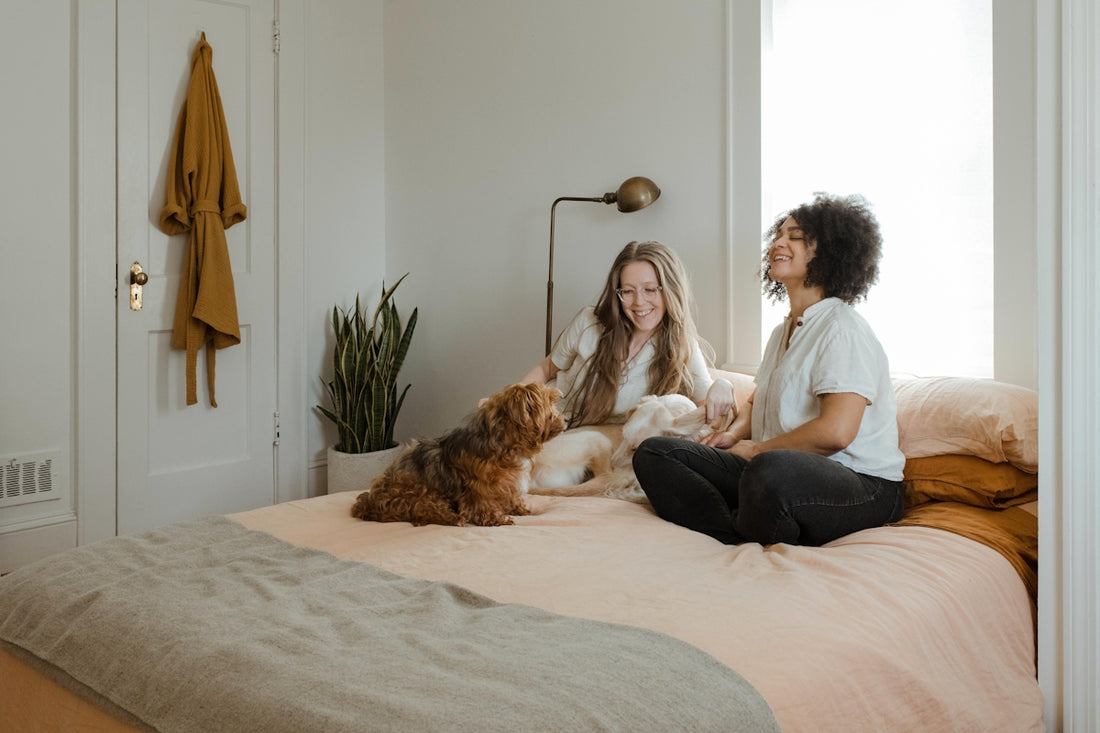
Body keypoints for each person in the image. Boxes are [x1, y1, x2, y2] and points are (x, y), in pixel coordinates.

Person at [632, 193, 905, 546]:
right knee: (655, 453)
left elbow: (837, 432)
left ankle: (752, 520)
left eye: (795, 236)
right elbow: (757, 400)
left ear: (829, 252)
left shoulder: (842, 328)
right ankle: (735, 533)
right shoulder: (783, 331)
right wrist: (733, 436)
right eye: (779, 234)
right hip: (772, 470)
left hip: (862, 485)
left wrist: (757, 450)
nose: (778, 242)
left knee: (769, 470)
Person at [507, 240, 735, 428]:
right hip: (550, 429)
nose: (638, 302)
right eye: (627, 291)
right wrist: (510, 403)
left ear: (670, 290)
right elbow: (547, 369)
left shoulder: (682, 346)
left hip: (604, 447)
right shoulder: (589, 322)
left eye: (650, 289)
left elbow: (710, 407)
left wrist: (724, 384)